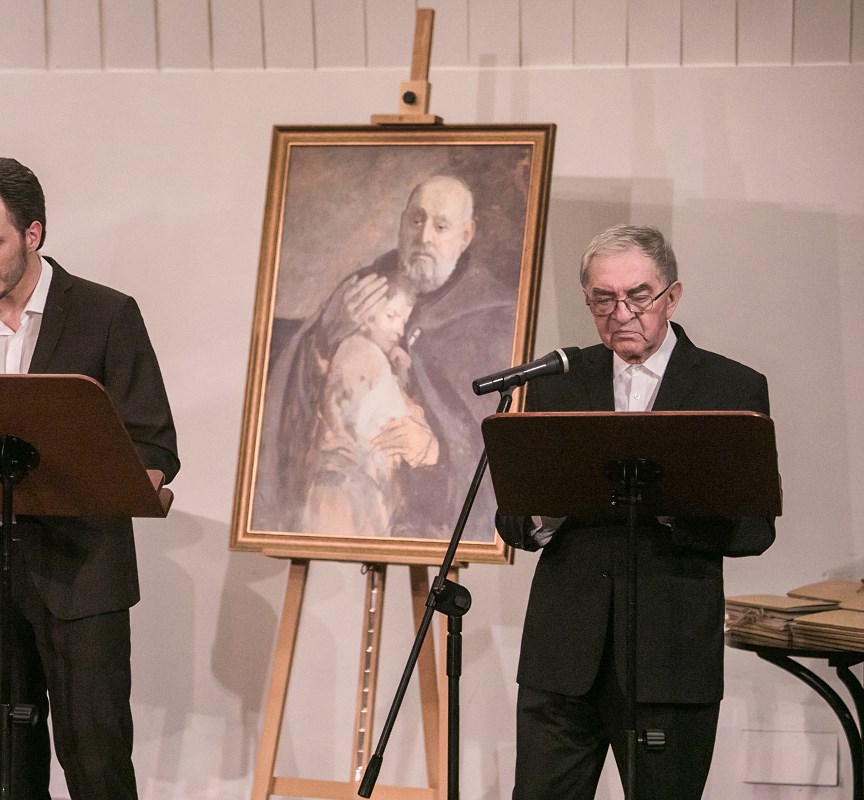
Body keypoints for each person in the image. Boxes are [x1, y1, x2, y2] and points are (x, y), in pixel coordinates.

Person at [0, 157, 179, 800]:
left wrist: (137, 477)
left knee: (96, 762)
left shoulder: (105, 314)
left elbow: (153, 439)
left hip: (79, 571)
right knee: (5, 773)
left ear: (33, 233)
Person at [497, 225, 775, 800]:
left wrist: (676, 510)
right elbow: (512, 518)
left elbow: (754, 528)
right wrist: (544, 517)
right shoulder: (556, 385)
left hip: (669, 660)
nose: (620, 313)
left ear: (672, 297)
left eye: (638, 296)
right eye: (603, 299)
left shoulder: (730, 387)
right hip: (562, 658)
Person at [255, 174, 515, 540]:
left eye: (441, 226)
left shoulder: (495, 317)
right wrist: (327, 335)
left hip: (427, 522)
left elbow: (494, 446)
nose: (424, 237)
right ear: (402, 223)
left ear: (466, 235)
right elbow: (290, 397)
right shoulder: (365, 288)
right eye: (416, 220)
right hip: (343, 494)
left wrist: (434, 451)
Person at [302, 273, 437, 536]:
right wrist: (402, 378)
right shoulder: (361, 351)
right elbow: (389, 415)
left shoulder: (370, 355)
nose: (399, 330)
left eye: (403, 321)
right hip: (346, 483)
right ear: (366, 315)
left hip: (360, 481)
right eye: (391, 316)